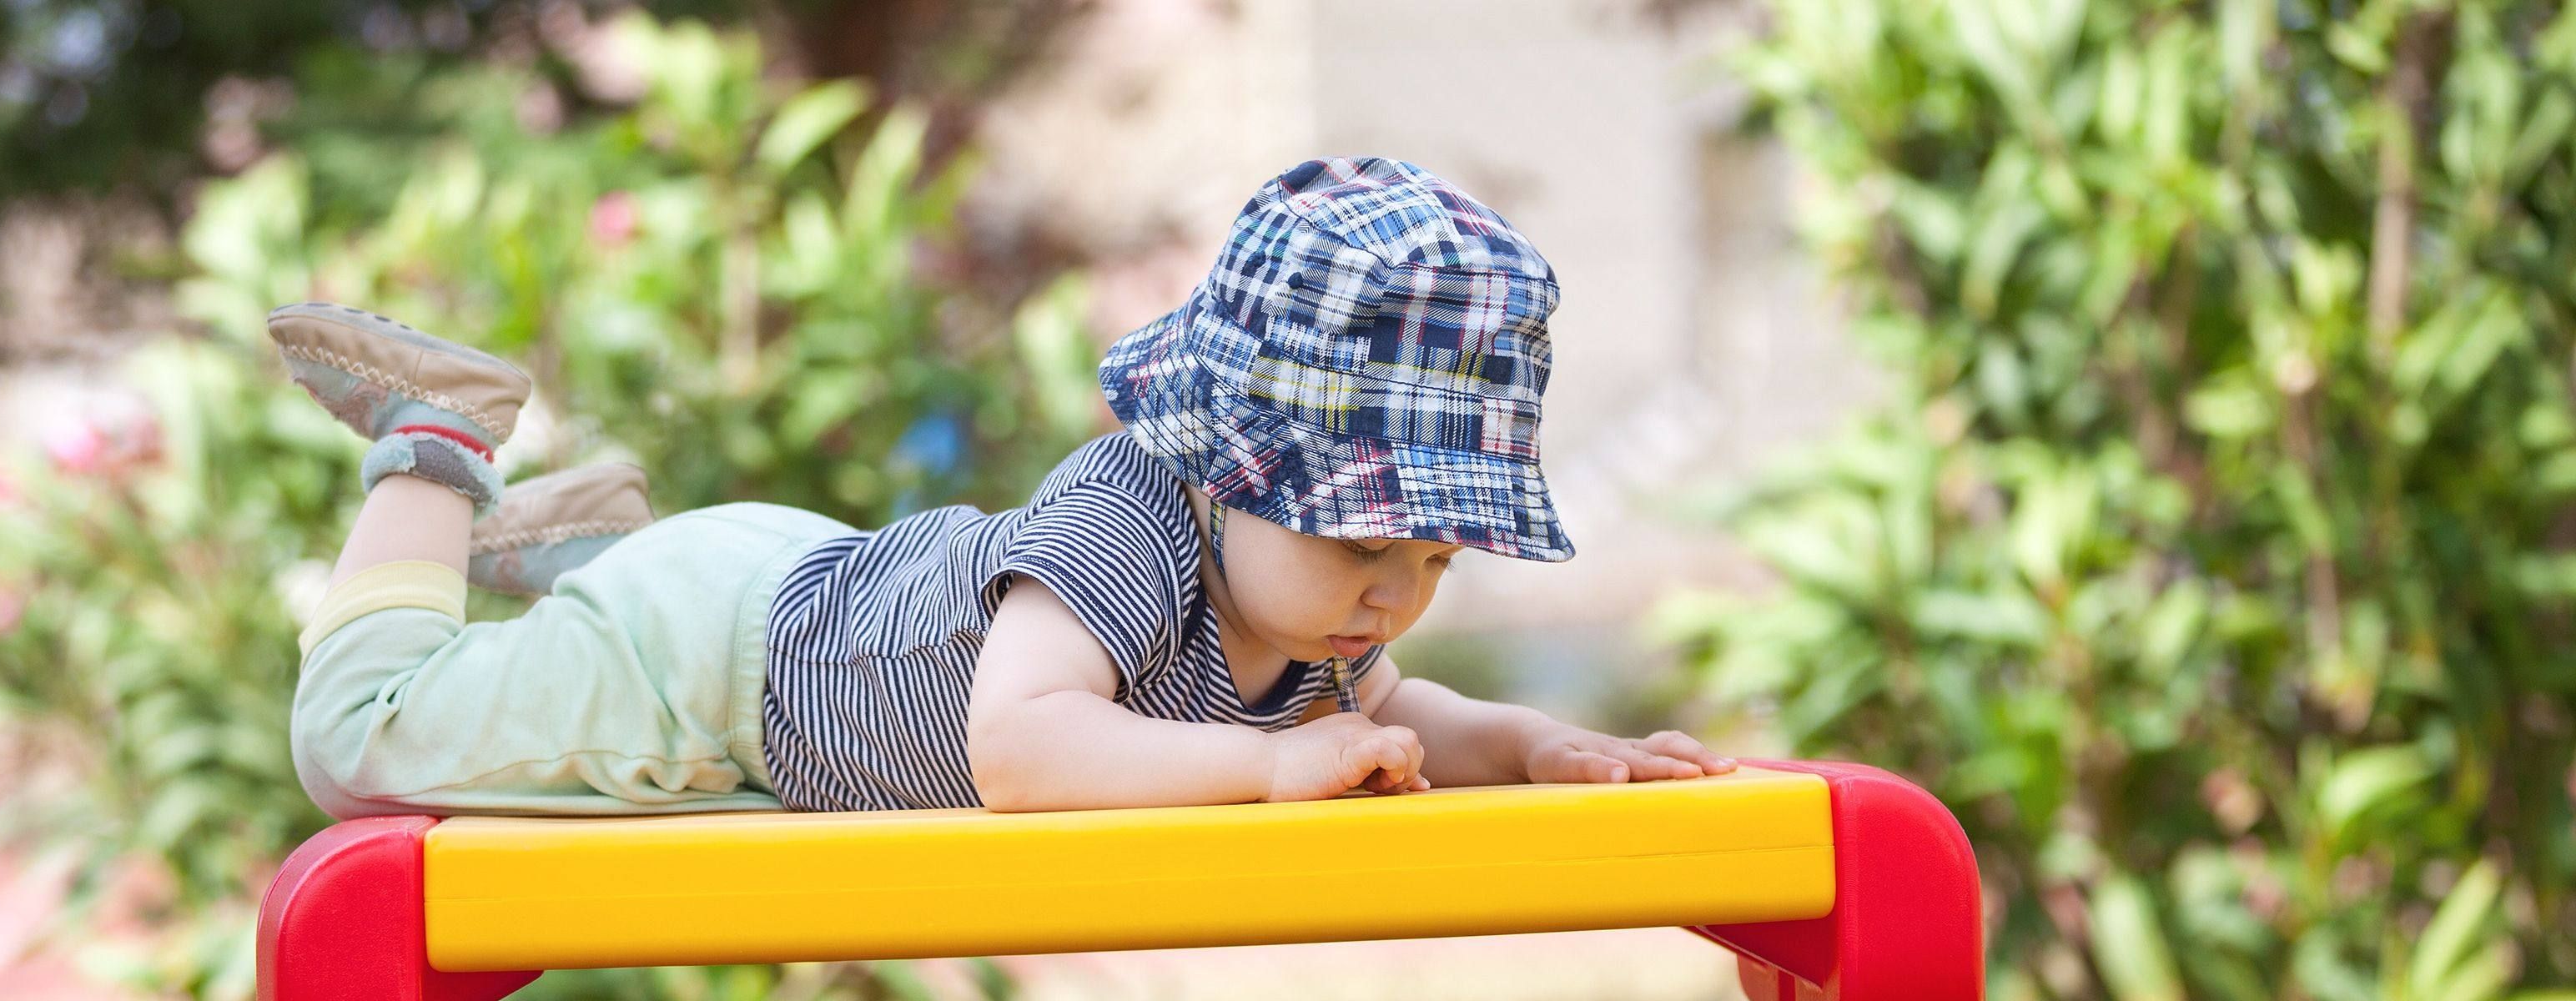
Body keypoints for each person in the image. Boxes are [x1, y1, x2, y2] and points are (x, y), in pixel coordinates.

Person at [271, 155, 1733, 821]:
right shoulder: (1128, 522)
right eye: (1362, 534)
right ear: (1228, 467)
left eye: (1435, 558)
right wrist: (1271, 766)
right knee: (357, 748)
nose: (1396, 591)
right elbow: (1024, 752)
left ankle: (584, 550)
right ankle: (440, 446)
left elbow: (1405, 716)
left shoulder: (1314, 618)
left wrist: (1541, 744)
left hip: (806, 585)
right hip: (713, 672)